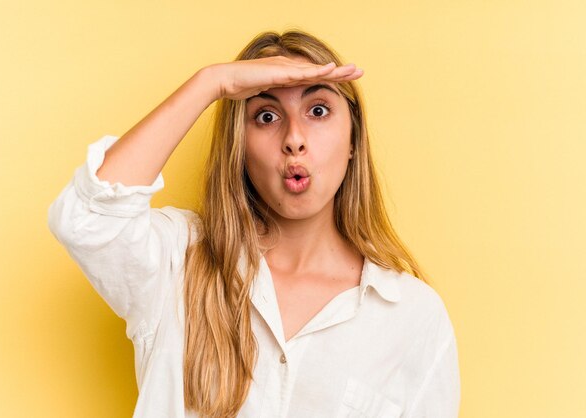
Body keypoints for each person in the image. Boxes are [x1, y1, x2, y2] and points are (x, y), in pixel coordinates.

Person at [48, 29, 460, 418]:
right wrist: (211, 83)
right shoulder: (179, 262)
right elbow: (87, 220)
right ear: (239, 148)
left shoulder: (413, 317)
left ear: (353, 140)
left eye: (318, 110)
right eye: (265, 116)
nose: (294, 138)